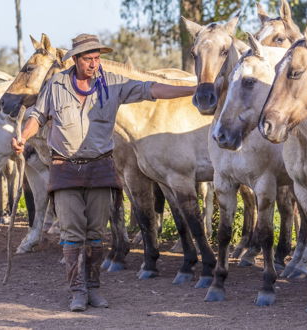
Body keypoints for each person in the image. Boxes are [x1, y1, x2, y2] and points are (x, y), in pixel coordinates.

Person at [11, 33, 196, 312]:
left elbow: (152, 89)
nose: (94, 64)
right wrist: (23, 136)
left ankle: (94, 288)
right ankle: (77, 290)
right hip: (65, 169)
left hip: (100, 168)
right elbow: (38, 115)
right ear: (75, 59)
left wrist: (193, 89)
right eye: (88, 59)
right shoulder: (56, 84)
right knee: (73, 234)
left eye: (97, 58)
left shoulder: (113, 83)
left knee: (96, 234)